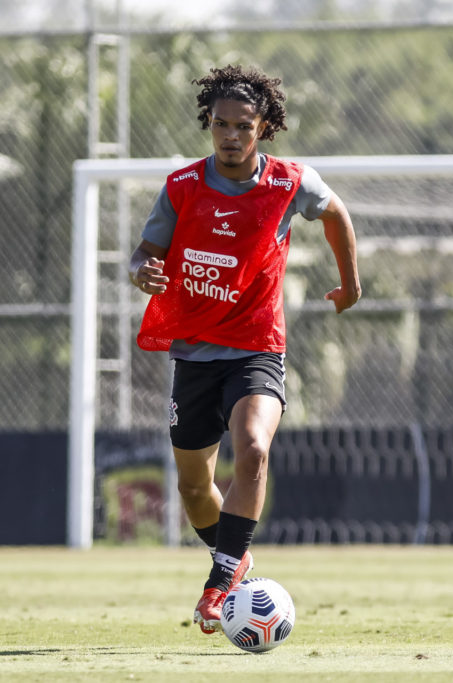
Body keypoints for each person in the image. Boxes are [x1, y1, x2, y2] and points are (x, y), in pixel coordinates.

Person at [128, 65, 361, 634]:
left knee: (253, 449)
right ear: (209, 123)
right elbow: (143, 252)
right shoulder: (183, 186)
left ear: (264, 128)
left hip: (257, 347)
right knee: (192, 487)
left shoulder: (289, 183)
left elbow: (336, 215)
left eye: (244, 126)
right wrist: (143, 273)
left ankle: (218, 583)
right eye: (221, 125)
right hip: (192, 351)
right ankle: (236, 560)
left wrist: (350, 282)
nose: (231, 136)